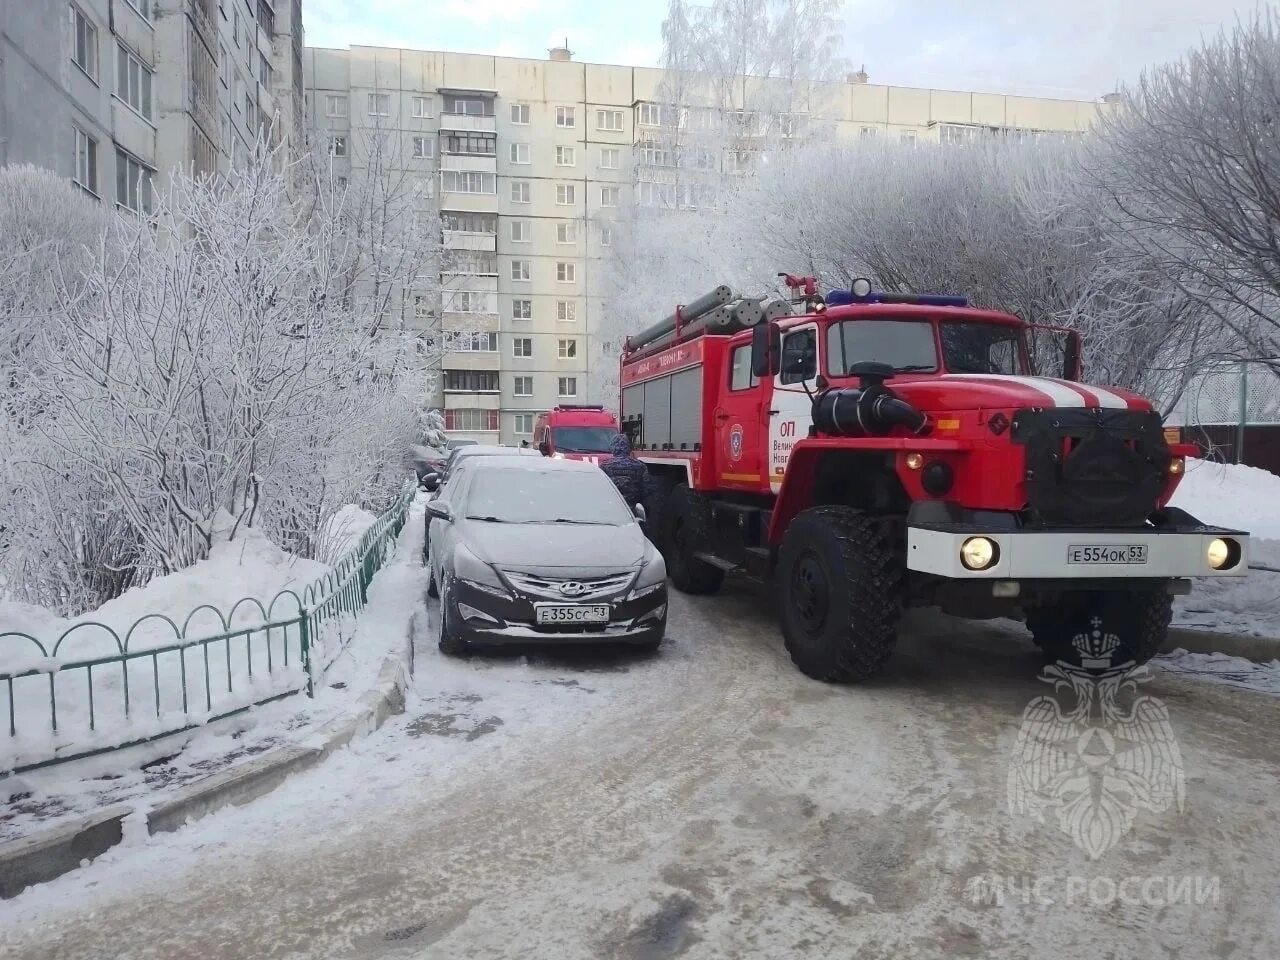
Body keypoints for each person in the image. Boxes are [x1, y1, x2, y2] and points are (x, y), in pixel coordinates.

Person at [600, 433, 658, 511]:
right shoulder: (640, 466)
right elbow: (647, 491)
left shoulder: (605, 466)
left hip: (610, 509)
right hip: (632, 510)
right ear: (628, 448)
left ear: (612, 448)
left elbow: (600, 491)